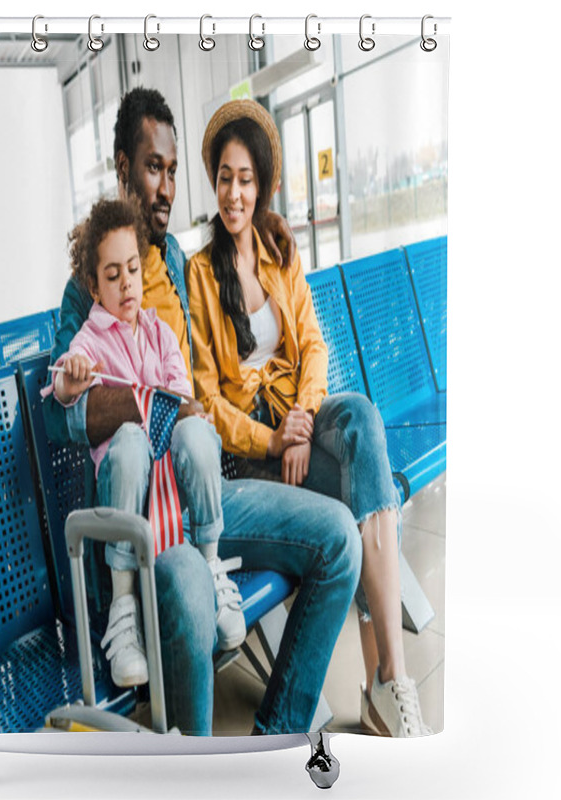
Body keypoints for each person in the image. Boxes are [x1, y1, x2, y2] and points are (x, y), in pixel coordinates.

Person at [43, 87, 362, 736]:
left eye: (172, 169)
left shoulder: (178, 265)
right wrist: (138, 403)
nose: (165, 186)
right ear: (122, 167)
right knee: (189, 574)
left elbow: (203, 388)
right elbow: (58, 417)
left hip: (204, 491)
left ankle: (276, 738)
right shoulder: (89, 284)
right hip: (147, 526)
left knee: (341, 540)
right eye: (152, 166)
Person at [187, 98, 431, 738]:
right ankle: (385, 686)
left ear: (262, 183)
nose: (234, 193)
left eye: (245, 180)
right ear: (214, 181)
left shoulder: (278, 249)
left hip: (297, 417)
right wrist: (274, 436)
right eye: (224, 178)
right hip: (249, 450)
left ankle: (390, 678)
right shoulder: (200, 275)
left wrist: (299, 415)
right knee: (366, 495)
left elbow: (314, 346)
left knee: (360, 421)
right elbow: (208, 400)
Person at [42, 197, 245, 689]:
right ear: (94, 286)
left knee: (196, 431)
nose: (127, 282)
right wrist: (73, 381)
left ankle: (212, 567)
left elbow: (183, 401)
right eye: (112, 275)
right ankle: (123, 605)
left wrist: (174, 407)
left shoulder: (159, 332)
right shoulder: (90, 340)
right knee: (130, 438)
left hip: (172, 499)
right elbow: (63, 391)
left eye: (132, 268)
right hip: (129, 500)